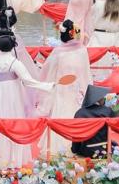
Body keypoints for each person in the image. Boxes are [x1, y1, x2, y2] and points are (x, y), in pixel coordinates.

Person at [0, 31, 56, 168]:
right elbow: (28, 81)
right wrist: (47, 86)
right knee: (14, 121)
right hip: (13, 96)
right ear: (12, 47)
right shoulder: (16, 63)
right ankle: (14, 158)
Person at [38, 20, 92, 156]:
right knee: (73, 117)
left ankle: (58, 149)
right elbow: (86, 74)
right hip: (74, 92)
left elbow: (48, 73)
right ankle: (74, 147)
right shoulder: (82, 51)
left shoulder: (58, 53)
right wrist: (88, 94)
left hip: (63, 91)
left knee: (60, 116)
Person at [71, 85, 115, 158]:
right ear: (98, 99)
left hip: (87, 151)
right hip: (106, 149)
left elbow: (76, 134)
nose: (104, 99)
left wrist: (74, 149)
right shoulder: (107, 111)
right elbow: (115, 127)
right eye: (103, 97)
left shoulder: (80, 113)